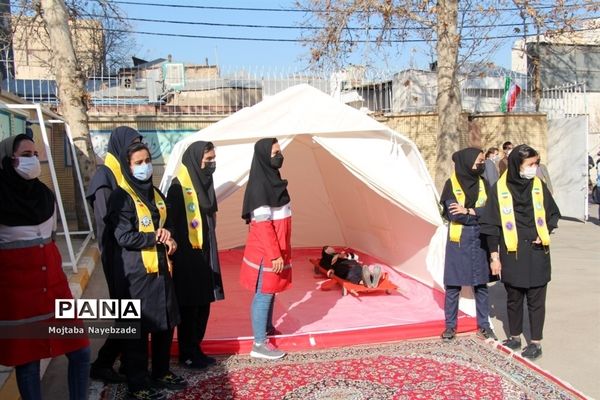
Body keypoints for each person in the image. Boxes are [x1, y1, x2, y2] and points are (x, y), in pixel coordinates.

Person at [0, 134, 90, 400]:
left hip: (54, 290)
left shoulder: (44, 194)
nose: (33, 159)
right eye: (26, 154)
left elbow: (50, 240)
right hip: (19, 297)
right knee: (28, 362)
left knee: (81, 351)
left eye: (35, 154)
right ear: (8, 159)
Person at [104, 142, 186, 400]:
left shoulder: (156, 194)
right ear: (127, 167)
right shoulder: (122, 196)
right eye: (138, 163)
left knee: (165, 323)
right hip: (136, 275)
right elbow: (124, 236)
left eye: (147, 160)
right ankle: (137, 384)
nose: (145, 167)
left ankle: (161, 372)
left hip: (162, 271)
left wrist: (169, 237)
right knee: (138, 332)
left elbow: (168, 224)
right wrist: (155, 238)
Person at [480, 144, 560, 360]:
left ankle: (536, 342)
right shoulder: (499, 189)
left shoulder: (538, 186)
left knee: (536, 300)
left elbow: (553, 214)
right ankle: (514, 337)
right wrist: (494, 256)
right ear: (517, 165)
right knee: (514, 298)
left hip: (537, 251)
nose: (534, 168)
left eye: (536, 163)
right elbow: (491, 226)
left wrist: (545, 232)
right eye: (530, 164)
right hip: (512, 252)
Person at [86, 126, 142, 383]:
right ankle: (104, 362)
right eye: (132, 143)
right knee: (127, 312)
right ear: (119, 145)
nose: (135, 147)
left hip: (131, 251)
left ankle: (122, 360)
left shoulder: (123, 173)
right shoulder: (104, 177)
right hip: (117, 254)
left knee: (130, 311)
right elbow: (108, 220)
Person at [167, 141, 225, 369]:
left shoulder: (206, 182)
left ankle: (196, 347)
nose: (212, 164)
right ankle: (187, 352)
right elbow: (172, 223)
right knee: (189, 306)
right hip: (187, 257)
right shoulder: (177, 187)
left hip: (205, 251)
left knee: (204, 304)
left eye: (213, 159)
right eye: (208, 159)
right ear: (195, 160)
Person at [240, 138, 291, 360]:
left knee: (271, 292)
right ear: (263, 156)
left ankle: (267, 329)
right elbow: (262, 226)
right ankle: (259, 344)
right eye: (274, 153)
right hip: (266, 252)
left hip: (276, 248)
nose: (279, 156)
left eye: (279, 152)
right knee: (264, 294)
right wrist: (274, 255)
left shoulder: (273, 180)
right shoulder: (260, 186)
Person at [439, 147, 497, 342]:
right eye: (478, 161)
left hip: (480, 241)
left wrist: (470, 211)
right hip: (458, 242)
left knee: (481, 285)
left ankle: (484, 326)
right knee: (453, 286)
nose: (481, 164)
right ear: (467, 162)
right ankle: (450, 326)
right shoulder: (451, 184)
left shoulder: (484, 183)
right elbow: (455, 214)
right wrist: (477, 215)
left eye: (482, 161)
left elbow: (490, 212)